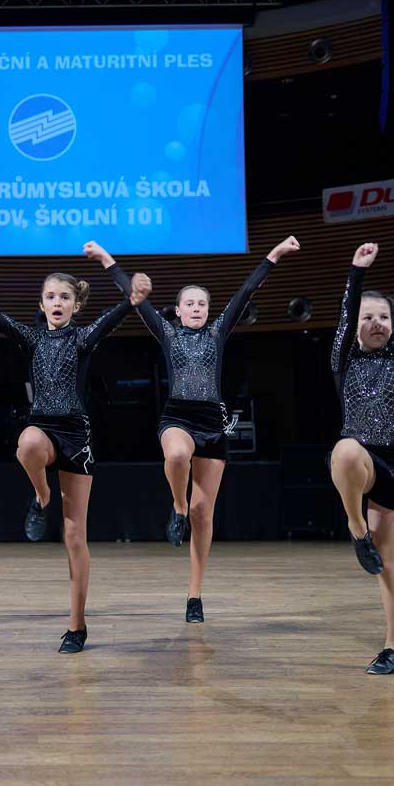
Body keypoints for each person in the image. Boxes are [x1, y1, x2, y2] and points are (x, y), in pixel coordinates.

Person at [87, 235, 300, 622]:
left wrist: (275, 253)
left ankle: (194, 596)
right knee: (177, 454)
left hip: (212, 424)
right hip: (178, 417)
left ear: (208, 310)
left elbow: (246, 291)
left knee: (204, 516)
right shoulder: (167, 333)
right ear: (179, 310)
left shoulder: (217, 333)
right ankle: (177, 505)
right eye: (190, 303)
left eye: (202, 303)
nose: (197, 308)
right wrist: (106, 258)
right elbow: (136, 299)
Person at [0, 264, 152, 653]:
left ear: (76, 305)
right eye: (51, 297)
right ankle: (42, 497)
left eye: (65, 297)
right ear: (41, 305)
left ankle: (77, 625)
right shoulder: (32, 339)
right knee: (26, 443)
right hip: (42, 428)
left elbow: (109, 321)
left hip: (76, 436)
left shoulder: (82, 338)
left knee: (74, 536)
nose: (57, 302)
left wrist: (132, 301)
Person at [327, 239, 394, 674]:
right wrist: (357, 272)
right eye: (367, 317)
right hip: (358, 458)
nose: (376, 323)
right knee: (346, 450)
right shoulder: (343, 358)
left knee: (388, 562)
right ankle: (356, 527)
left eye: (383, 317)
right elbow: (346, 314)